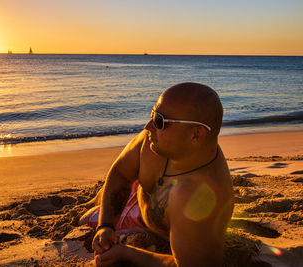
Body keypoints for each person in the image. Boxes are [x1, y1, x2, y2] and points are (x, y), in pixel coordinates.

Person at [79, 82, 234, 266]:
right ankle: (96, 200)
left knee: (85, 221)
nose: (149, 126)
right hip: (144, 192)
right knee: (88, 216)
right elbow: (121, 173)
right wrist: (106, 225)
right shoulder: (153, 143)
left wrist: (127, 254)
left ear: (196, 135)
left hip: (168, 224)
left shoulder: (201, 198)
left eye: (160, 121)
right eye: (153, 115)